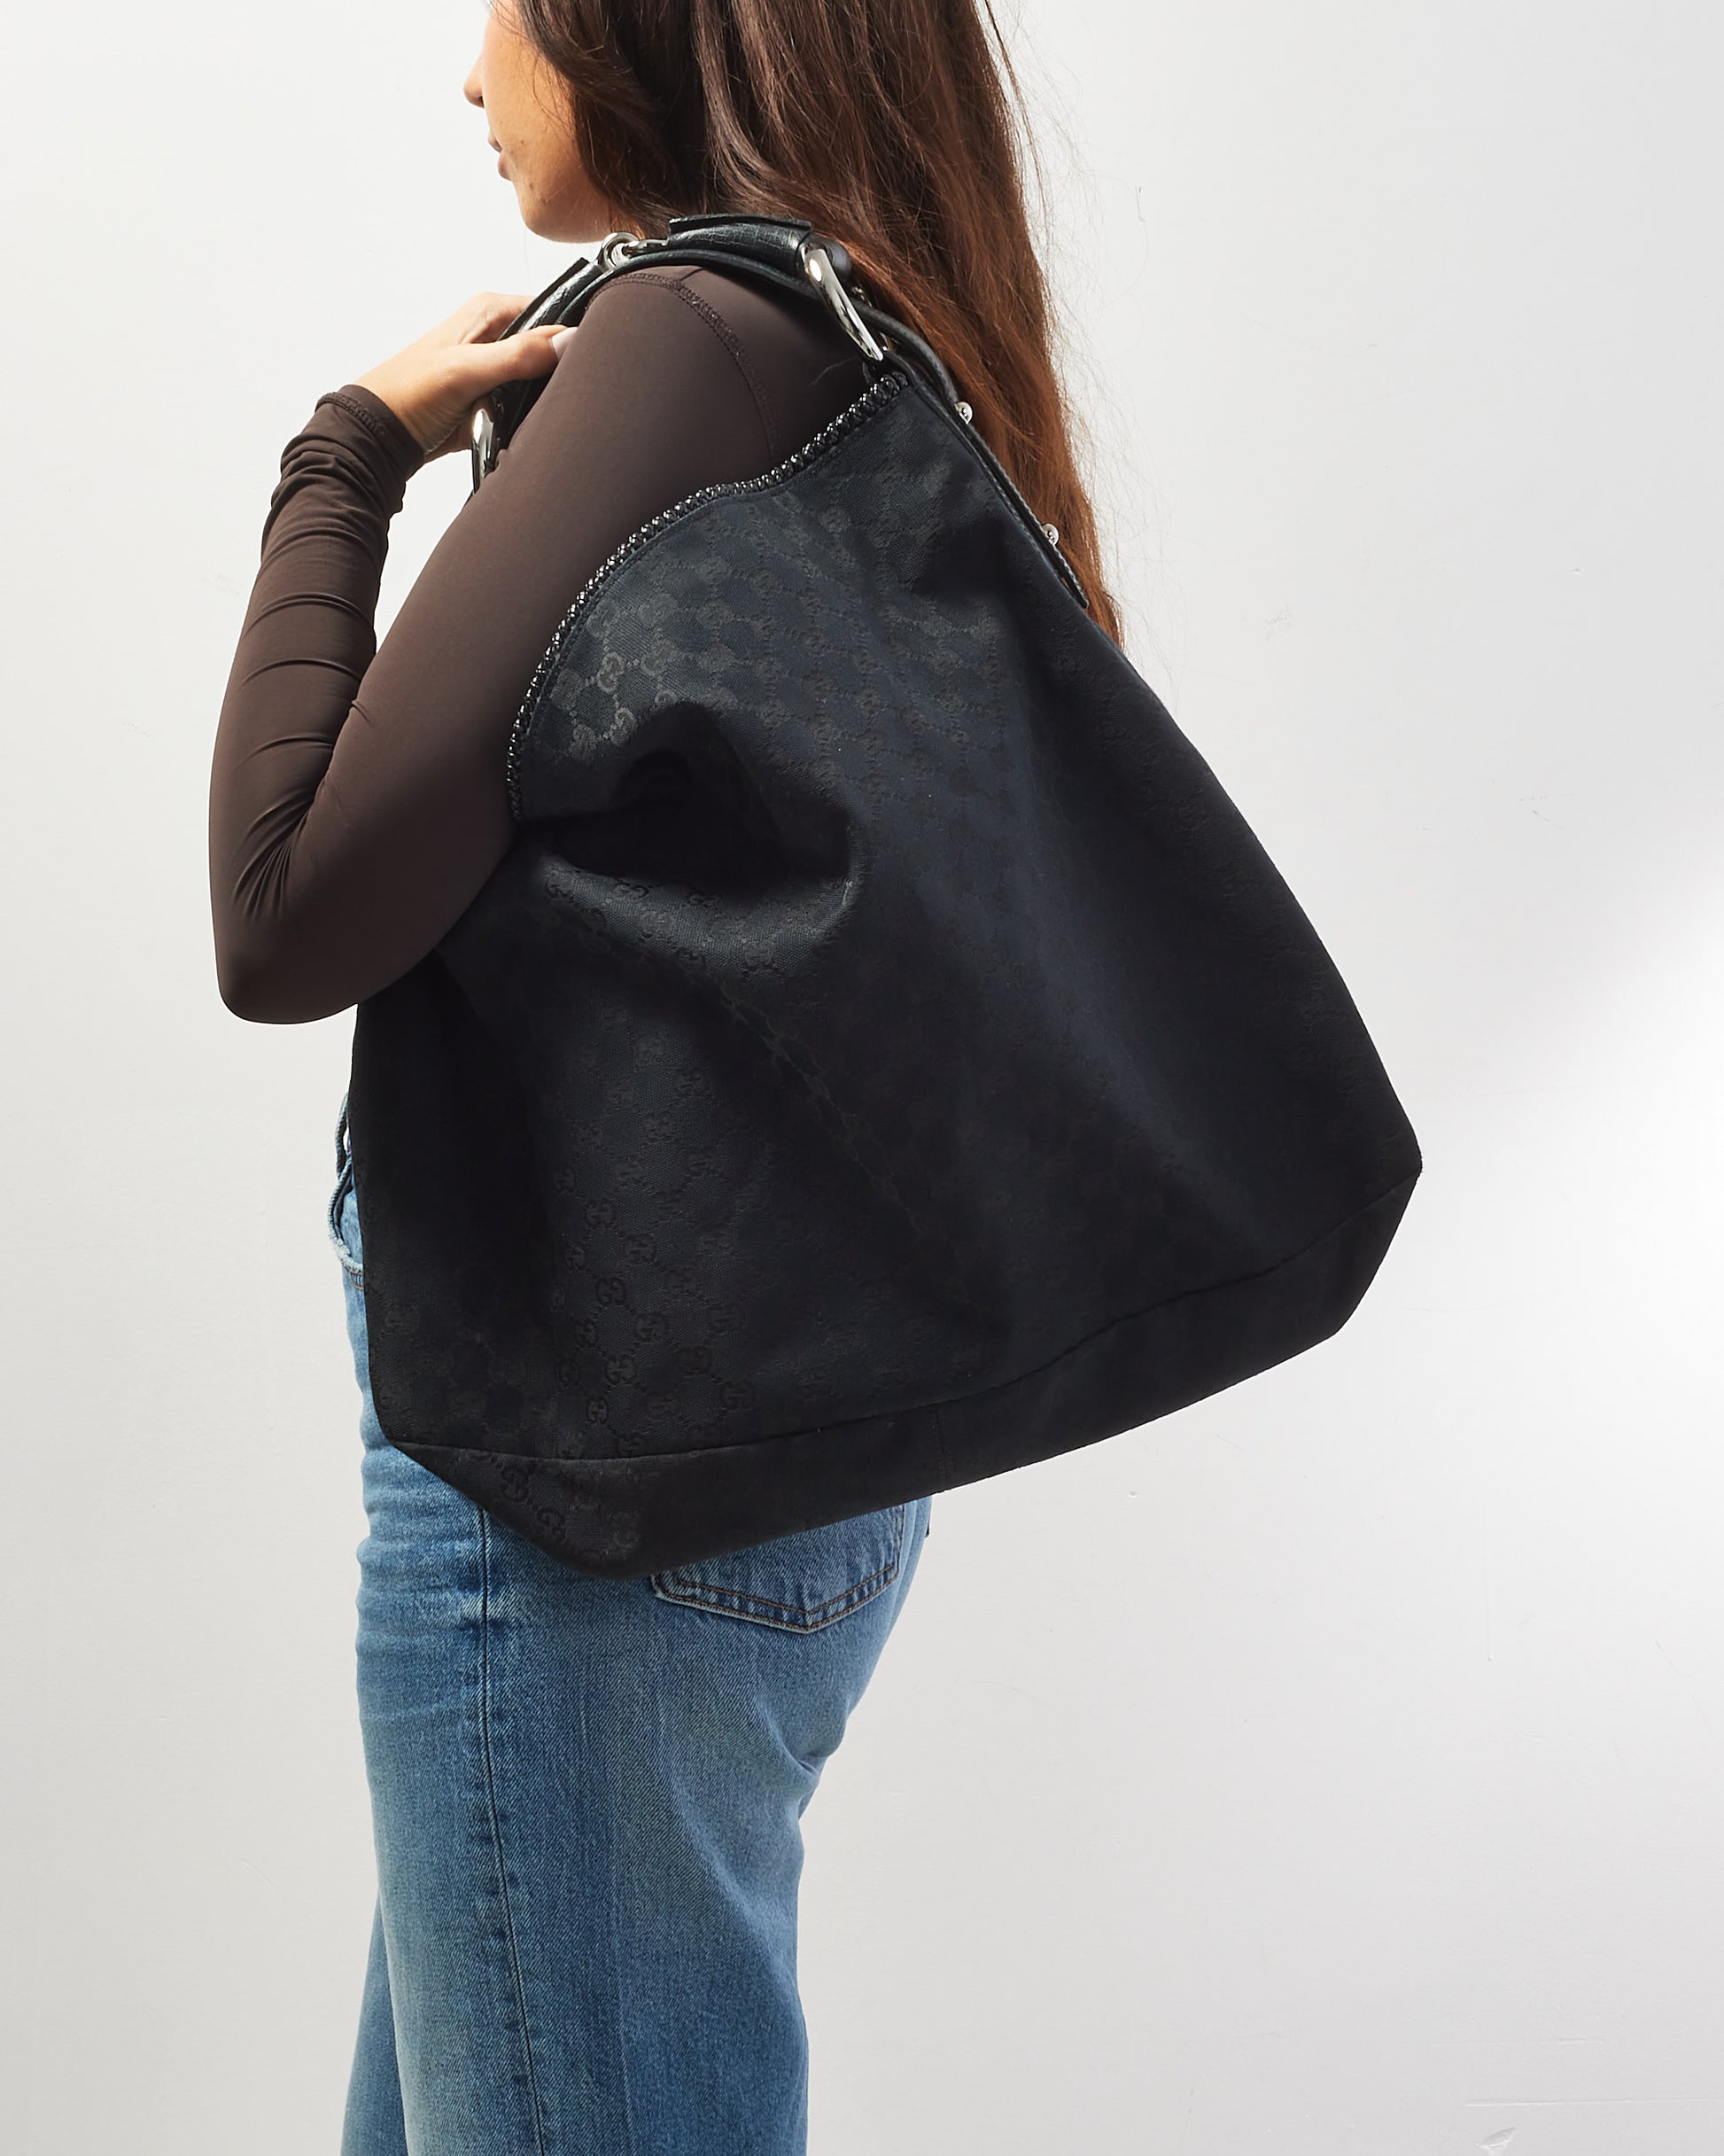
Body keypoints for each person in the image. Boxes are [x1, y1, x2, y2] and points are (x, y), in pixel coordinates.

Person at [207, 4, 1122, 2150]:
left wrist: (340, 456)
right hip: (730, 1456)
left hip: (582, 1501)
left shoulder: (691, 341)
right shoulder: (869, 347)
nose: (470, 75)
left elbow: (285, 911)